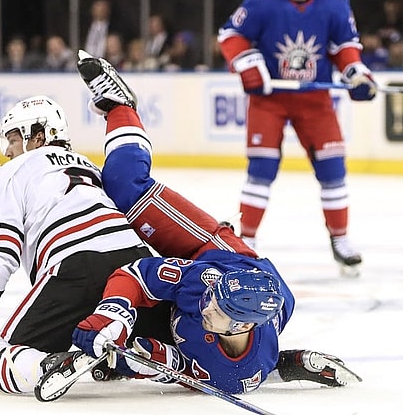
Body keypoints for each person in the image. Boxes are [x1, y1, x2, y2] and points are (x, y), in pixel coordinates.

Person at [63, 50, 359, 396]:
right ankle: (120, 106)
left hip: (246, 329)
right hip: (211, 250)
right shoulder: (206, 284)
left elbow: (179, 367)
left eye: (217, 309)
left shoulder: (238, 365)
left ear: (241, 325)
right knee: (123, 188)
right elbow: (137, 275)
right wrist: (112, 314)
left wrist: (131, 360)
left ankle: (287, 363)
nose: (208, 303)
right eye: (214, 301)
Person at [0, 94, 152, 394]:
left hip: (76, 265)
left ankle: (46, 366)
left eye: (13, 139)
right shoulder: (90, 167)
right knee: (158, 334)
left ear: (38, 136)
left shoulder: (16, 170)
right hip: (137, 266)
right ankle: (129, 351)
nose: (9, 151)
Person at [217, 0, 377, 277]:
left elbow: (344, 47)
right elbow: (231, 35)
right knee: (260, 171)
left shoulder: (335, 2)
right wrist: (247, 62)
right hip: (270, 99)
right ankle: (246, 240)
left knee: (333, 170)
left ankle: (340, 238)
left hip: (315, 100)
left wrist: (356, 73)